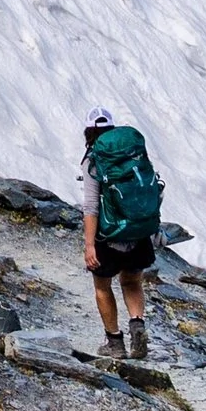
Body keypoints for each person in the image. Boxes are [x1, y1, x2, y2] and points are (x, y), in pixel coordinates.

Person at [80, 108, 164, 362]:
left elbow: (91, 207)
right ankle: (137, 324)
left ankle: (115, 342)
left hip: (108, 236)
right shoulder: (133, 153)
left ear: (89, 132)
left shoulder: (93, 161)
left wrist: (89, 245)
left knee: (103, 287)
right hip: (138, 232)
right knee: (132, 282)